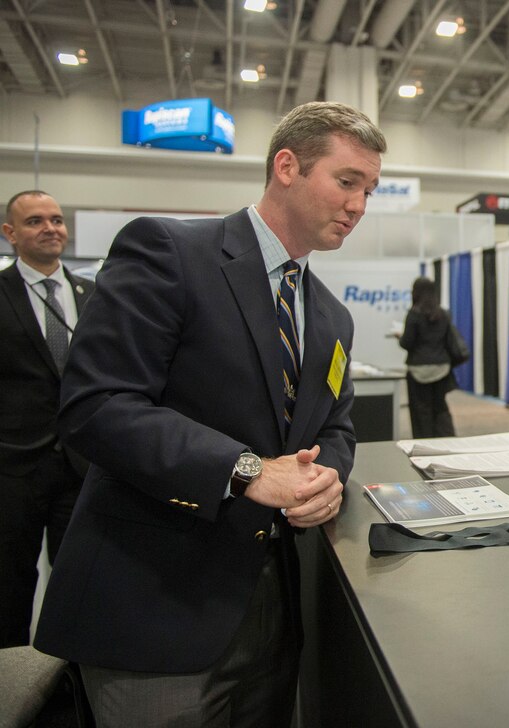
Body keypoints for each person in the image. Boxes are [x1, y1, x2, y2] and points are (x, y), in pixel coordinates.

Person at [33, 101, 382, 726]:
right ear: (287, 167)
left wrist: (324, 474)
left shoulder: (332, 316)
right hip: (154, 603)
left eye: (370, 190)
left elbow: (336, 425)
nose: (359, 205)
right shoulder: (169, 251)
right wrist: (247, 470)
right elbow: (97, 405)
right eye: (347, 181)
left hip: (272, 608)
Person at [0, 190, 94, 647]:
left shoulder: (93, 295)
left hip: (81, 463)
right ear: (10, 234)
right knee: (10, 580)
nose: (50, 228)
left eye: (56, 219)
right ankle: (12, 680)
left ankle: (68, 677)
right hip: (13, 467)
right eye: (35, 221)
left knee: (78, 578)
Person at [400, 276, 459, 438]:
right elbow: (449, 341)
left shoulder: (413, 315)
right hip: (441, 367)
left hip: (418, 369)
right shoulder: (444, 314)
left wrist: (400, 337)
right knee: (440, 407)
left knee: (421, 410)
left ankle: (425, 442)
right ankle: (448, 440)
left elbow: (407, 343)